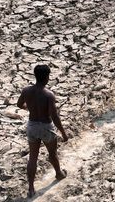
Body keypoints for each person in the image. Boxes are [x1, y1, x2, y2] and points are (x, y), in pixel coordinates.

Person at [17, 65, 68, 198]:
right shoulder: (48, 94)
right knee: (52, 153)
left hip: (32, 126)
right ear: (46, 77)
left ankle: (31, 188)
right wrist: (63, 132)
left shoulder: (26, 90)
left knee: (33, 157)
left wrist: (29, 108)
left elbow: (19, 104)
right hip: (46, 126)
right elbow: (54, 116)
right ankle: (58, 173)